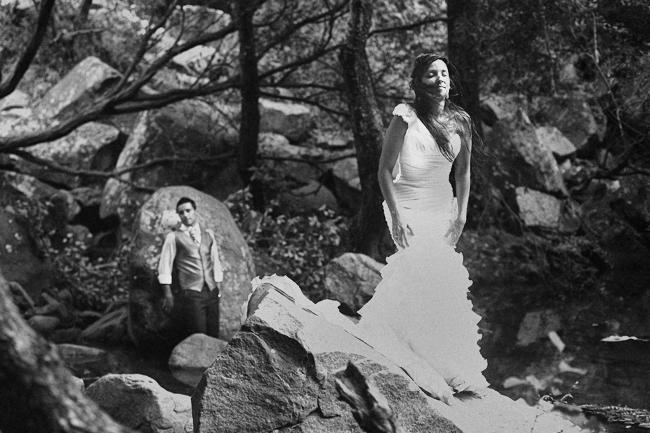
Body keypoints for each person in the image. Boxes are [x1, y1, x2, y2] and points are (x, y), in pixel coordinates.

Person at [355, 53, 489, 404]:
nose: (440, 78)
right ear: (417, 82)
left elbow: (463, 172)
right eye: (431, 74)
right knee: (419, 269)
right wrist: (396, 215)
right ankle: (411, 350)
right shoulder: (405, 117)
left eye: (444, 72)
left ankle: (443, 358)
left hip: (442, 205)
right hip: (408, 204)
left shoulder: (461, 120)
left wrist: (461, 214)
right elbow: (384, 170)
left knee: (441, 279)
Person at [158, 197, 224, 338]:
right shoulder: (173, 237)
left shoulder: (208, 235)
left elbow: (215, 261)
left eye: (188, 211)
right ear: (179, 216)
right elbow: (165, 265)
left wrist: (218, 287)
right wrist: (167, 293)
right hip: (192, 293)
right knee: (199, 336)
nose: (186, 215)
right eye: (181, 212)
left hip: (211, 290)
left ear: (195, 211)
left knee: (214, 334)